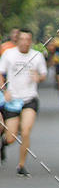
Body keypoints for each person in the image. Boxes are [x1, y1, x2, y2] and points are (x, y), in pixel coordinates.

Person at [0, 29, 47, 176]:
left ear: (31, 41)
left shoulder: (37, 56)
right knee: (11, 137)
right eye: (22, 39)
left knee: (26, 131)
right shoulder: (9, 54)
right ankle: (4, 144)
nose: (25, 42)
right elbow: (1, 74)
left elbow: (43, 74)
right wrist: (4, 90)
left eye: (28, 39)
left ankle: (21, 165)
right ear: (17, 40)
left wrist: (38, 78)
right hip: (13, 99)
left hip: (30, 99)